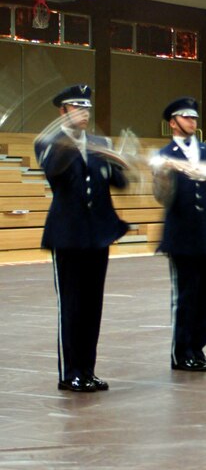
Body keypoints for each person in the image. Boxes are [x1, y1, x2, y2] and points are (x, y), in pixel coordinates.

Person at [35, 84, 130, 392]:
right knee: (72, 305)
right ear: (63, 111)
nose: (84, 113)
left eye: (87, 108)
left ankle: (87, 369)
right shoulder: (49, 142)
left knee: (93, 305)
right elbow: (54, 172)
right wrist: (75, 144)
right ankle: (71, 372)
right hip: (68, 234)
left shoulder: (100, 141)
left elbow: (119, 181)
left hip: (97, 234)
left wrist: (120, 161)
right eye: (77, 108)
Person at [153, 97, 206, 372]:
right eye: (186, 117)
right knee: (186, 296)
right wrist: (161, 174)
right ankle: (181, 352)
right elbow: (161, 196)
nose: (192, 121)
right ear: (173, 122)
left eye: (194, 117)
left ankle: (198, 348)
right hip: (182, 233)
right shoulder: (164, 154)